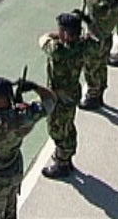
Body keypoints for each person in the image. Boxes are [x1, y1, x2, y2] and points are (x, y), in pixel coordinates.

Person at [0, 76, 56, 218]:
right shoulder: (24, 117)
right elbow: (50, 100)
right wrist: (34, 87)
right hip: (13, 173)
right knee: (10, 210)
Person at [39, 12, 92, 179]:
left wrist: (55, 35)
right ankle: (66, 158)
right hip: (73, 92)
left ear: (65, 33)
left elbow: (43, 39)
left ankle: (62, 164)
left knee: (57, 130)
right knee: (68, 126)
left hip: (58, 97)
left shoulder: (57, 50)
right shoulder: (83, 44)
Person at [78, 0, 118, 110]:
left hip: (93, 42)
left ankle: (92, 96)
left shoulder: (94, 3)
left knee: (91, 69)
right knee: (102, 67)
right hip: (106, 39)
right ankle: (100, 94)